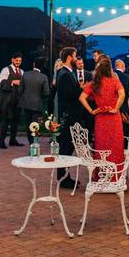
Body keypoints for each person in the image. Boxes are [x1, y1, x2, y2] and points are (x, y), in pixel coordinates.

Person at [80, 59, 125, 172]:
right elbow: (122, 95)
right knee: (115, 146)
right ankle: (116, 175)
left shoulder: (94, 83)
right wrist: (116, 109)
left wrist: (91, 111)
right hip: (114, 118)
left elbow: (81, 98)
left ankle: (102, 174)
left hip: (100, 118)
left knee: (101, 146)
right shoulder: (115, 81)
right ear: (110, 69)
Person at [55, 47, 85, 188]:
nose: (76, 58)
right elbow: (69, 96)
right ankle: (63, 178)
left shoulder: (68, 73)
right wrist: (81, 89)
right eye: (74, 56)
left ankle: (66, 176)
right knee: (65, 147)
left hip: (72, 116)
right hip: (69, 116)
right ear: (68, 57)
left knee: (68, 147)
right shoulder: (64, 74)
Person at [19, 57, 51, 143]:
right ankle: (34, 143)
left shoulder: (25, 74)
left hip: (26, 104)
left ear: (34, 64)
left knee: (28, 125)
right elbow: (46, 92)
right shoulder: (44, 77)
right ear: (42, 66)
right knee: (36, 125)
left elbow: (20, 90)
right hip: (37, 105)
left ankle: (31, 143)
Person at [0, 52, 24, 149]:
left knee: (15, 121)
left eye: (20, 61)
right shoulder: (6, 70)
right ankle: (1, 142)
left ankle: (13, 140)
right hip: (8, 100)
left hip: (17, 100)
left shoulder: (21, 71)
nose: (18, 62)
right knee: (6, 121)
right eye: (16, 60)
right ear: (12, 60)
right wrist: (13, 82)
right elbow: (1, 83)